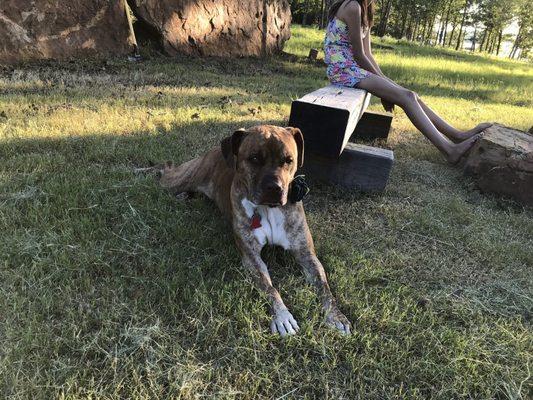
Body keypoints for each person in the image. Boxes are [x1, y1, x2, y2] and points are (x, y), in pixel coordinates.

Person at [324, 0, 492, 163]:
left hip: (353, 68)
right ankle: (449, 150)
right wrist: (386, 89)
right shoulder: (352, 6)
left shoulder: (366, 10)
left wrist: (385, 83)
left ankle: (457, 135)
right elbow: (359, 55)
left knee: (411, 95)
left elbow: (368, 54)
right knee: (406, 97)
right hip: (343, 70)